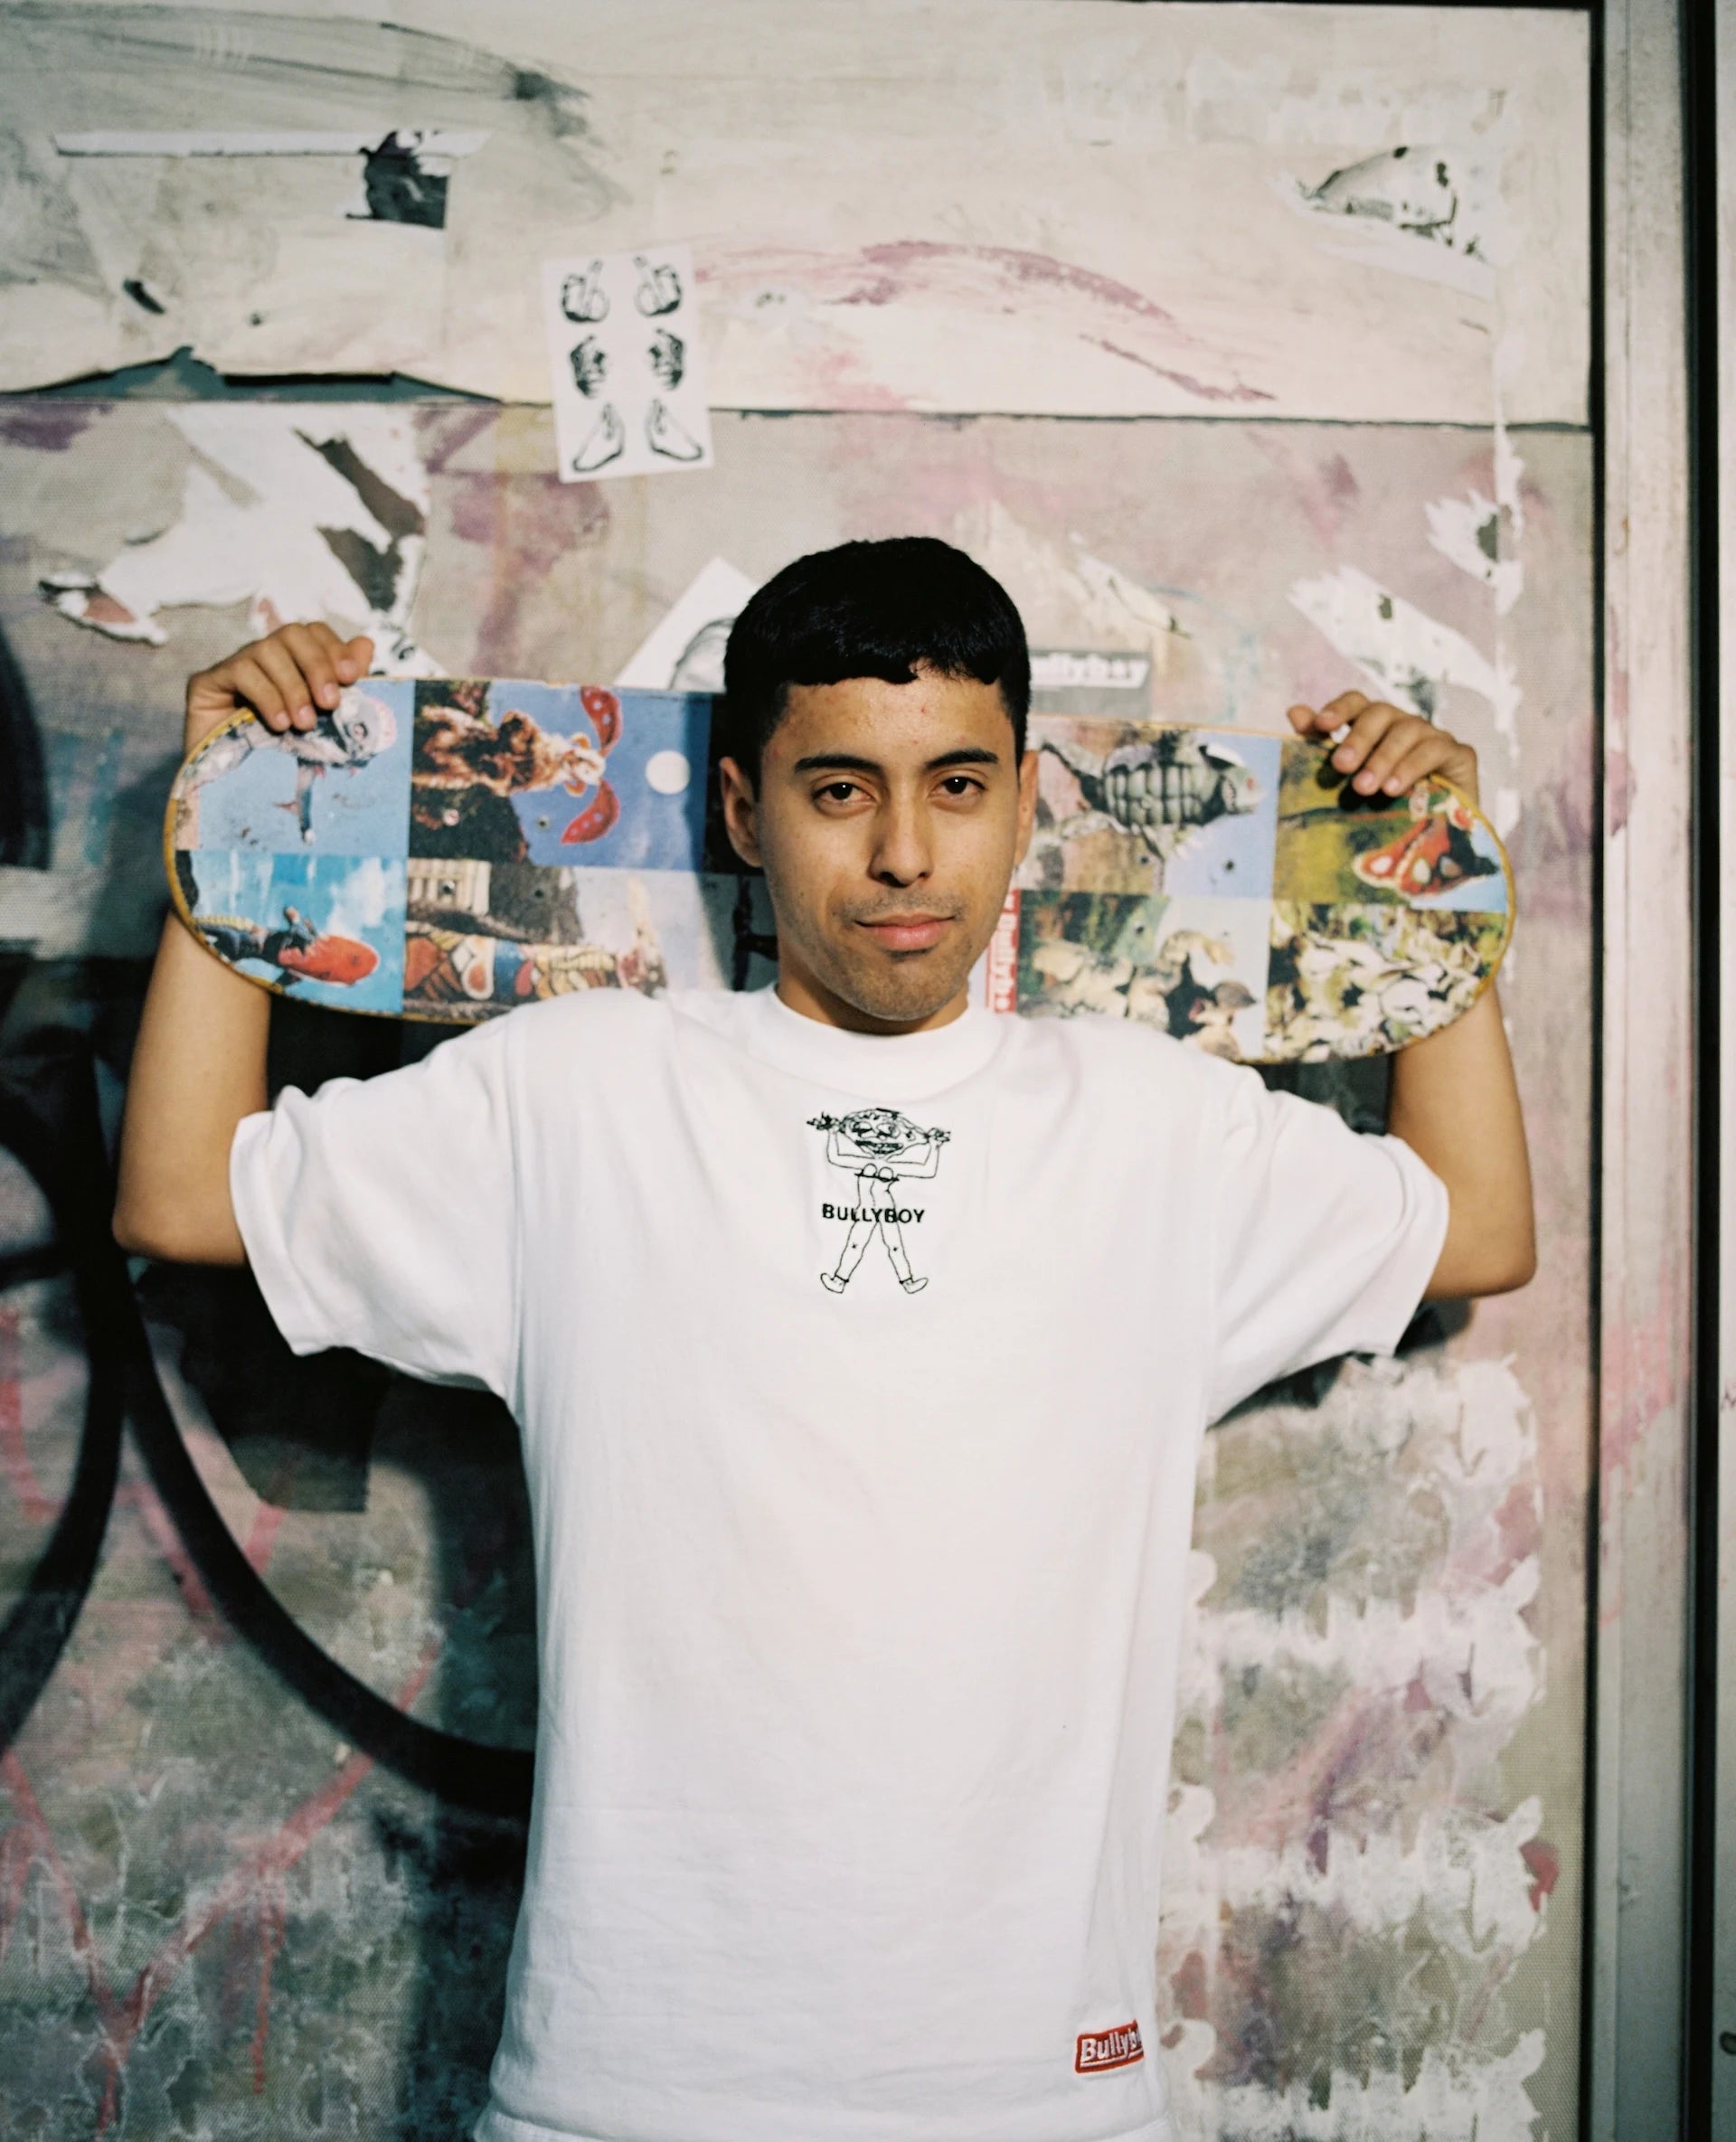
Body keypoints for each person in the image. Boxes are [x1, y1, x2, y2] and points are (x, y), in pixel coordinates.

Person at [114, 536, 1534, 2142]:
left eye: (961, 785)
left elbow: (1476, 1225)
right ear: (742, 812)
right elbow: (181, 1195)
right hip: (630, 2087)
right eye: (841, 789)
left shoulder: (1153, 1128)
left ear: (1024, 806)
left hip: (1036, 2096)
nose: (908, 853)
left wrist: (1437, 872)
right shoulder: (576, 1094)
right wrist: (225, 814)